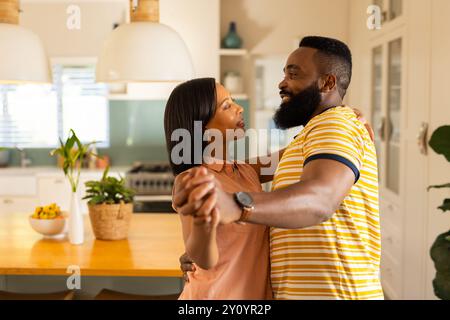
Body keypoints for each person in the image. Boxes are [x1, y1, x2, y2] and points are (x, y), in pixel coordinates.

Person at [173, 36, 384, 300]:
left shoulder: (333, 126)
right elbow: (207, 249)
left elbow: (321, 198)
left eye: (293, 74)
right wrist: (199, 243)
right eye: (227, 106)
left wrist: (236, 205)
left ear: (328, 82)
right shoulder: (304, 140)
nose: (282, 83)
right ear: (201, 126)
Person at [164, 78, 277, 300]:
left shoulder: (246, 170)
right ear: (202, 128)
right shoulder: (192, 179)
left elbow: (300, 149)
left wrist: (345, 120)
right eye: (226, 106)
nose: (239, 108)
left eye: (233, 101)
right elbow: (203, 258)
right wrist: (203, 226)